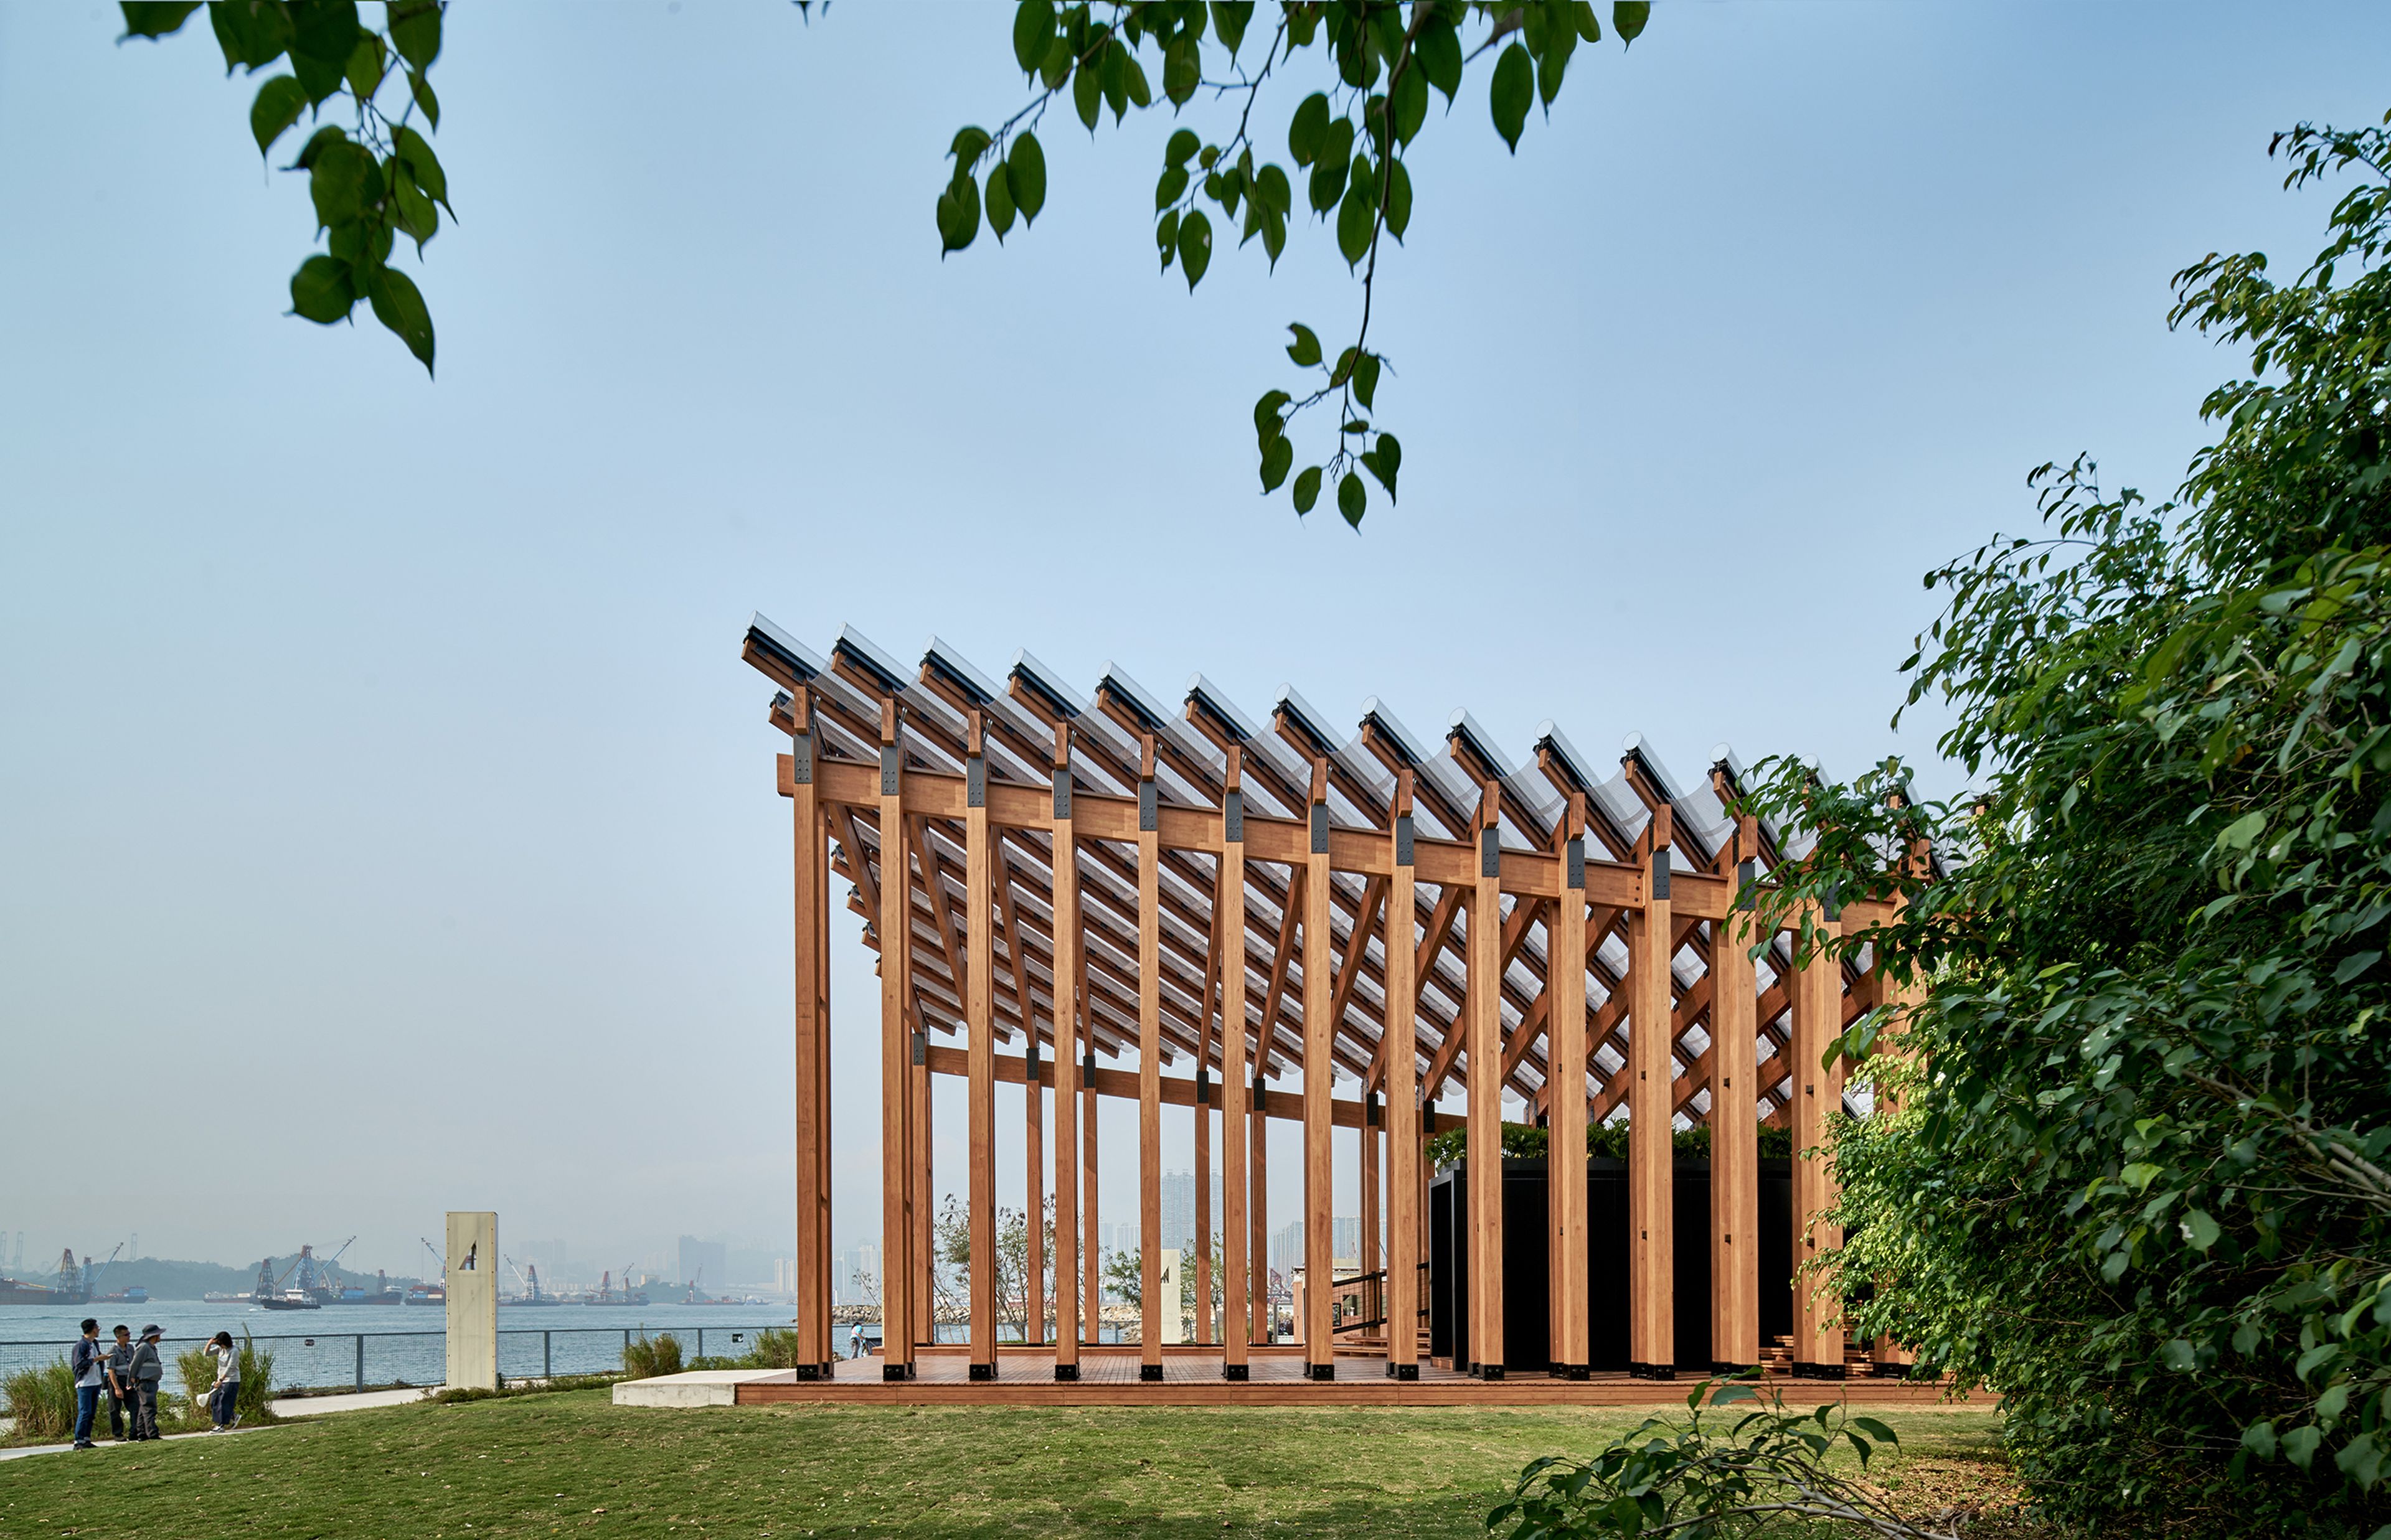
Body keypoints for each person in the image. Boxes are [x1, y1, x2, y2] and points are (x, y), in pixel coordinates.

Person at [69, 1318, 105, 1450]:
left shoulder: (94, 1343)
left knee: (91, 1413)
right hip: (85, 1383)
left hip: (95, 1382)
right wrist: (96, 1359)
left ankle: (86, 1439)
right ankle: (78, 1441)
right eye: (97, 1328)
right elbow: (79, 1364)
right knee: (85, 1412)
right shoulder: (81, 1345)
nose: (99, 1330)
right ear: (93, 1329)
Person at [128, 1325, 165, 1440]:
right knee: (149, 1407)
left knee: (143, 1409)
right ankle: (152, 1434)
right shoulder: (144, 1347)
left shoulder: (151, 1347)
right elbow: (134, 1364)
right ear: (154, 1336)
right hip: (146, 1382)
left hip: (151, 1382)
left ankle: (142, 1434)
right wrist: (131, 1379)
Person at [204, 1330, 241, 1431]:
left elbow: (231, 1367)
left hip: (231, 1380)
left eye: (221, 1344)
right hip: (220, 1380)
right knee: (214, 1401)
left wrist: (221, 1380)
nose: (221, 1346)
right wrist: (210, 1344)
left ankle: (221, 1426)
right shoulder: (220, 1349)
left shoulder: (234, 1351)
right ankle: (234, 1416)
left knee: (224, 1403)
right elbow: (207, 1354)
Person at [103, 1324, 134, 1442]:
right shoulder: (113, 1351)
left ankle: (134, 1431)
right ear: (119, 1337)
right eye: (126, 1335)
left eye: (129, 1334)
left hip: (129, 1380)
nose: (129, 1337)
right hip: (117, 1380)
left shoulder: (131, 1348)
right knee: (115, 1409)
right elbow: (111, 1371)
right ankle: (118, 1433)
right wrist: (117, 1388)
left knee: (135, 1406)